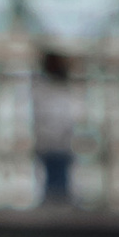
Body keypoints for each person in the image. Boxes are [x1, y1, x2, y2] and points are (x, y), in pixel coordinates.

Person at [33, 45, 79, 206]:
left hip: (58, 144)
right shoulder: (47, 89)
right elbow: (53, 118)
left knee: (58, 181)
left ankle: (57, 204)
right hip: (53, 144)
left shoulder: (52, 89)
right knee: (55, 182)